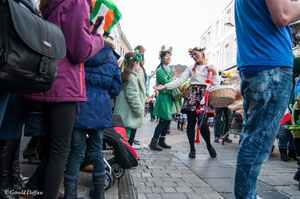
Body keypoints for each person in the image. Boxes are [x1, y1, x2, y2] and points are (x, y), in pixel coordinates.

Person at [20, 0, 104, 198]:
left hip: (50, 80)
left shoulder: (56, 3)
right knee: (60, 151)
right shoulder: (77, 1)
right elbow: (79, 52)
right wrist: (98, 38)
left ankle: (35, 191)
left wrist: (85, 32)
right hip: (64, 83)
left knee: (51, 148)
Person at [234, 0, 300, 198]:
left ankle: (247, 194)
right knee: (256, 144)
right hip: (271, 67)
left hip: (258, 66)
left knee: (251, 141)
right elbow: (283, 15)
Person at [63, 37, 122, 199]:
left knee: (76, 152)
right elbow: (116, 88)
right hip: (100, 108)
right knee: (97, 151)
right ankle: (99, 193)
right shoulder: (112, 61)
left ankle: (70, 194)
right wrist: (103, 96)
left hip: (79, 106)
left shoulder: (83, 54)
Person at [155, 47, 219, 158]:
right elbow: (179, 80)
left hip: (204, 97)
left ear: (202, 52)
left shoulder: (211, 67)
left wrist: (214, 72)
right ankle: (192, 149)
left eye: (195, 54)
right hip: (192, 96)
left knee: (202, 124)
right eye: (192, 55)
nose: (194, 57)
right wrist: (165, 86)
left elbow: (216, 84)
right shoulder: (191, 68)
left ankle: (209, 145)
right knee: (191, 123)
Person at [114, 51, 145, 148]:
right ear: (135, 63)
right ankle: (122, 159)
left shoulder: (124, 75)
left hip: (123, 115)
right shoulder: (131, 77)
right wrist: (139, 110)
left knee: (122, 138)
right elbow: (133, 96)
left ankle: (121, 157)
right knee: (125, 140)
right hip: (128, 115)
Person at [149, 47, 176, 151]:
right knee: (163, 120)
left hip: (169, 98)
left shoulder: (169, 70)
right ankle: (153, 142)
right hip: (164, 97)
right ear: (161, 58)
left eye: (170, 56)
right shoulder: (160, 70)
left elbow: (171, 83)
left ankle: (162, 140)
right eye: (166, 56)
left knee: (168, 120)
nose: (169, 58)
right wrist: (174, 78)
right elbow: (167, 83)